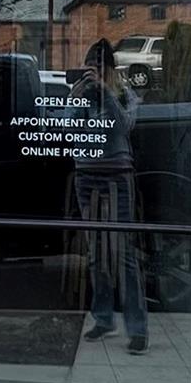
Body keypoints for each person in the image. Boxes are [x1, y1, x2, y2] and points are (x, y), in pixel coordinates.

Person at [71, 39, 149, 353]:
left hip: (117, 175)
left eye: (100, 69)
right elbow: (67, 130)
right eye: (91, 69)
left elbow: (124, 126)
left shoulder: (122, 93)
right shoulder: (81, 92)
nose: (95, 74)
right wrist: (78, 97)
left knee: (123, 254)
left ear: (110, 70)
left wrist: (106, 93)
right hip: (87, 175)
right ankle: (103, 318)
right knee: (96, 253)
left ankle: (137, 328)